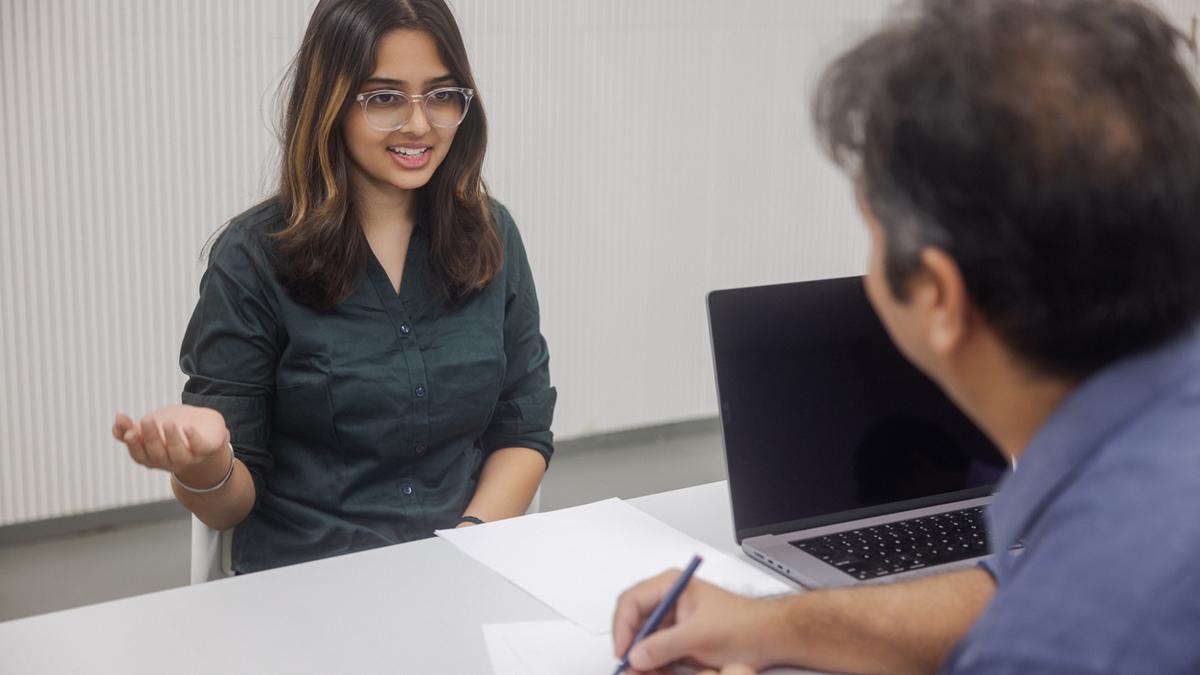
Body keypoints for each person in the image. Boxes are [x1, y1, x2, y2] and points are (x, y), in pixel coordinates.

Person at [613, 0, 1200, 673]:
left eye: (871, 229)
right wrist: (767, 623)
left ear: (939, 296)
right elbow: (1008, 589)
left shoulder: (1058, 640)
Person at [111, 0, 556, 574]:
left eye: (442, 95)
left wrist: (465, 549)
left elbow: (523, 428)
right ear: (331, 104)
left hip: (464, 565)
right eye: (384, 98)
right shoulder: (252, 258)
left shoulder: (492, 234)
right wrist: (205, 463)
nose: (419, 124)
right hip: (310, 583)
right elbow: (227, 507)